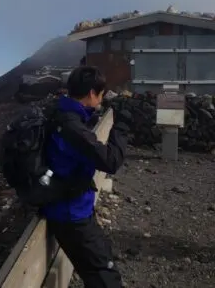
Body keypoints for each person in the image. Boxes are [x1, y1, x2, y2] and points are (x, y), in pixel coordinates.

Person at [41, 65, 126, 288]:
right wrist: (121, 130)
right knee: (105, 277)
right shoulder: (72, 128)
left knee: (100, 265)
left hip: (70, 207)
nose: (102, 98)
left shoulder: (62, 113)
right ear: (91, 93)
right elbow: (110, 161)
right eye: (101, 93)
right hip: (71, 215)